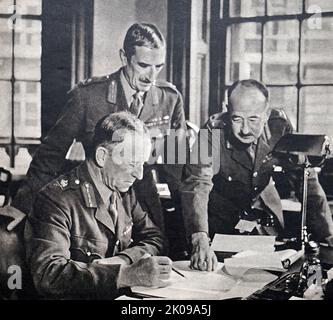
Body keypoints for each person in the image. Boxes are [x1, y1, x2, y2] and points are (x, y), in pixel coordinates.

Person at [3, 22, 186, 236]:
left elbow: (177, 164)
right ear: (124, 57)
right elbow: (51, 154)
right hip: (94, 202)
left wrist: (188, 219)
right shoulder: (87, 97)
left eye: (159, 67)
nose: (151, 76)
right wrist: (22, 203)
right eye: (144, 65)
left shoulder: (170, 99)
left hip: (144, 201)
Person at [180, 79, 333, 271]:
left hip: (265, 220)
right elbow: (197, 183)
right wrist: (199, 237)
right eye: (237, 119)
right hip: (221, 223)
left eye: (253, 119)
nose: (245, 129)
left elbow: (305, 179)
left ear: (267, 114)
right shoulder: (212, 131)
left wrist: (328, 236)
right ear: (228, 111)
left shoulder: (279, 126)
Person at [24, 112, 172, 299]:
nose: (140, 175)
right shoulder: (55, 200)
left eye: (142, 164)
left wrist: (123, 260)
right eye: (133, 163)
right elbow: (49, 275)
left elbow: (156, 239)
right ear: (102, 156)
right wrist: (124, 275)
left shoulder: (123, 192)